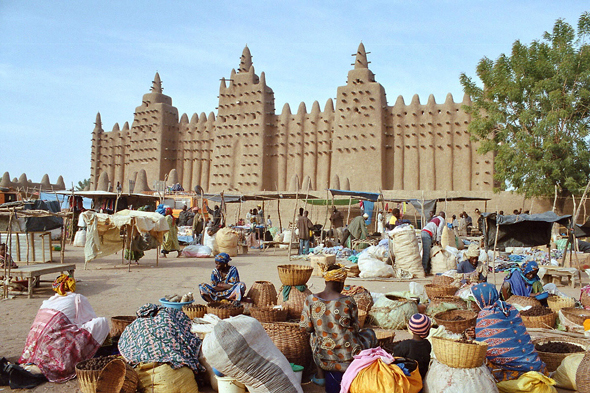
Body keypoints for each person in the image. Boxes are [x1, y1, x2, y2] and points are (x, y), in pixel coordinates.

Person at [300, 264, 377, 393]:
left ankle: (320, 375)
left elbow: (306, 328)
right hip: (350, 357)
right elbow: (356, 327)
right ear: (342, 283)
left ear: (325, 281)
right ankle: (364, 367)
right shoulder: (348, 301)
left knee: (313, 335)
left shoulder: (310, 300)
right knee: (369, 333)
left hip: (325, 358)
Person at [19, 274, 109, 382]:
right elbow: (90, 319)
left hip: (31, 351)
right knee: (101, 322)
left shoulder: (48, 301)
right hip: (54, 345)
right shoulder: (77, 298)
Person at [468, 283, 549, 387]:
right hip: (535, 365)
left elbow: (485, 347)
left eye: (474, 302)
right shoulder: (508, 308)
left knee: (478, 361)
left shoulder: (485, 314)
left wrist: (470, 338)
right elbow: (503, 331)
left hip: (515, 370)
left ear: (482, 299)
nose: (472, 306)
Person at [390, 313, 432, 385]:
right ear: (426, 331)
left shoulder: (405, 345)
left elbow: (395, 357)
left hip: (408, 379)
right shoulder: (427, 344)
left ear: (411, 330)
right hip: (421, 378)